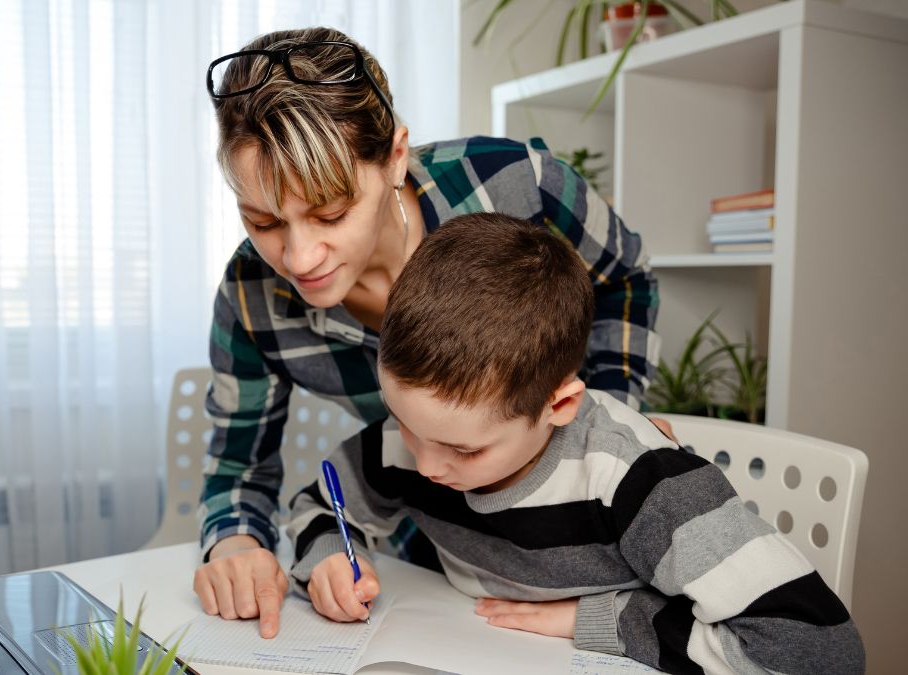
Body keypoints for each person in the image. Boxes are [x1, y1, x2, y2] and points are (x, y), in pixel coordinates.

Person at [194, 26, 663, 640]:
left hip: (598, 559)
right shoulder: (250, 295)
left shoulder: (518, 186)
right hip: (437, 562)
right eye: (262, 220)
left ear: (394, 157)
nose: (301, 256)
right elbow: (240, 466)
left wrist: (609, 418)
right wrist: (234, 544)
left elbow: (624, 277)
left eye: (331, 213)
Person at [287, 213, 864, 674]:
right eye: (405, 424)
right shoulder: (413, 437)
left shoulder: (641, 481)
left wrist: (601, 618)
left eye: (464, 451)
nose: (426, 464)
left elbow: (818, 651)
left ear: (557, 406)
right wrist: (329, 557)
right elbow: (322, 501)